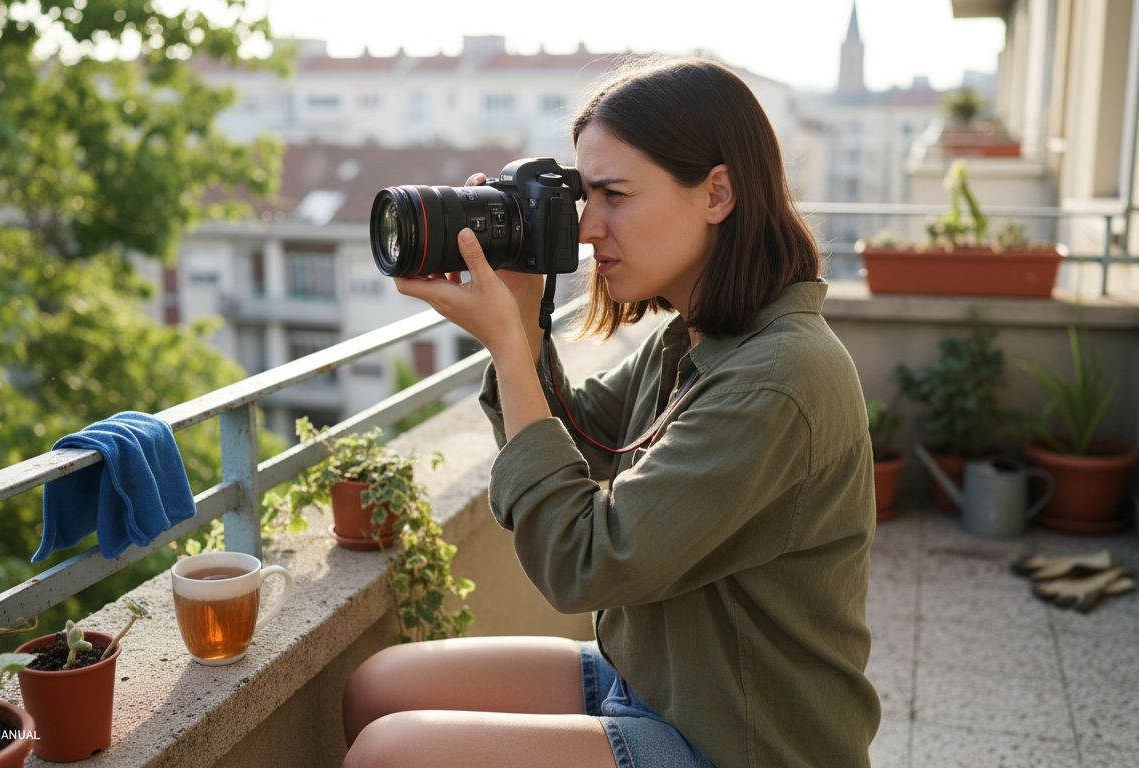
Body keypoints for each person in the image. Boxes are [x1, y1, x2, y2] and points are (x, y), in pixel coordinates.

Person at [341, 56, 880, 768]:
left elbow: (585, 562)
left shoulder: (777, 381)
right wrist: (525, 317)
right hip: (659, 678)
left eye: (615, 196)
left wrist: (508, 345)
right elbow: (581, 434)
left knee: (392, 754)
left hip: (735, 739)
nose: (589, 228)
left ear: (718, 192)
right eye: (581, 196)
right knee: (376, 687)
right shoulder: (698, 335)